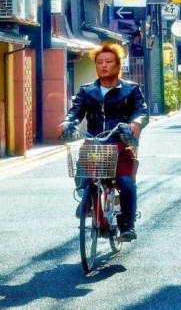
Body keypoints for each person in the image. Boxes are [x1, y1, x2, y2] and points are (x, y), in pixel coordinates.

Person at [61, 43, 148, 241]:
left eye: (109, 61)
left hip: (121, 146)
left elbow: (142, 111)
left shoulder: (131, 90)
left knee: (126, 184)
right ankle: (87, 199)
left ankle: (127, 225)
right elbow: (75, 112)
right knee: (83, 177)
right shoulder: (86, 91)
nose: (104, 65)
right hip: (94, 146)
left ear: (118, 65)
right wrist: (68, 122)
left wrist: (136, 122)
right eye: (100, 62)